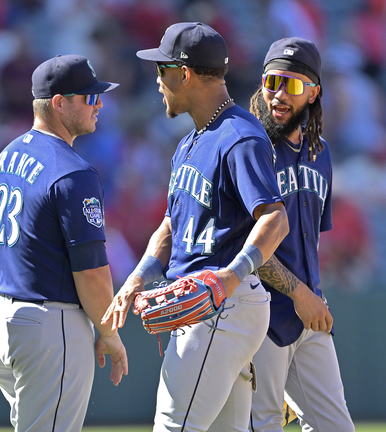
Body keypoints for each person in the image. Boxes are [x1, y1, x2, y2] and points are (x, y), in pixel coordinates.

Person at [102, 22, 289, 431]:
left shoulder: (239, 136)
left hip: (222, 305)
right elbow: (172, 225)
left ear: (183, 73)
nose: (157, 82)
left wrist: (230, 277)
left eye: (161, 71)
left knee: (173, 426)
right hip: (208, 305)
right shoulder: (191, 141)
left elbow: (275, 219)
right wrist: (137, 277)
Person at [0, 54, 128, 432]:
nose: (99, 104)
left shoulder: (5, 158)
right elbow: (92, 273)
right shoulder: (73, 172)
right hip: (49, 326)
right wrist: (109, 333)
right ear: (59, 103)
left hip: (3, 323)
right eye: (89, 98)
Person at [247, 37, 355, 431]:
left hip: (309, 314)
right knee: (264, 424)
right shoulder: (249, 148)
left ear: (313, 92)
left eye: (291, 85)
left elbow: (311, 240)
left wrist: (312, 296)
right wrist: (300, 294)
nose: (277, 94)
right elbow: (245, 246)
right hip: (260, 312)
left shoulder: (320, 152)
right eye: (271, 81)